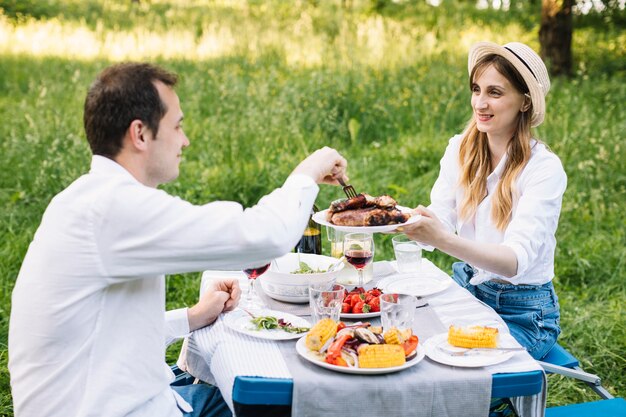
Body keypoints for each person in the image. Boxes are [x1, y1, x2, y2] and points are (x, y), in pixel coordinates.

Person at [8, 62, 348, 417]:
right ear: (139, 134)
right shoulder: (113, 209)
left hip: (126, 396)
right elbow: (264, 236)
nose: (184, 139)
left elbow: (96, 328)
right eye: (177, 125)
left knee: (263, 385)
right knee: (299, 400)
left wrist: (190, 317)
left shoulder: (88, 201)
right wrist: (309, 169)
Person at [401, 41, 566, 360]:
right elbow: (442, 218)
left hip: (524, 312)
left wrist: (442, 239)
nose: (480, 102)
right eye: (476, 89)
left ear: (524, 102)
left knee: (458, 374)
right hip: (466, 289)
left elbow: (513, 262)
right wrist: (398, 218)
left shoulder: (543, 169)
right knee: (405, 344)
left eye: (495, 92)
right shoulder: (461, 148)